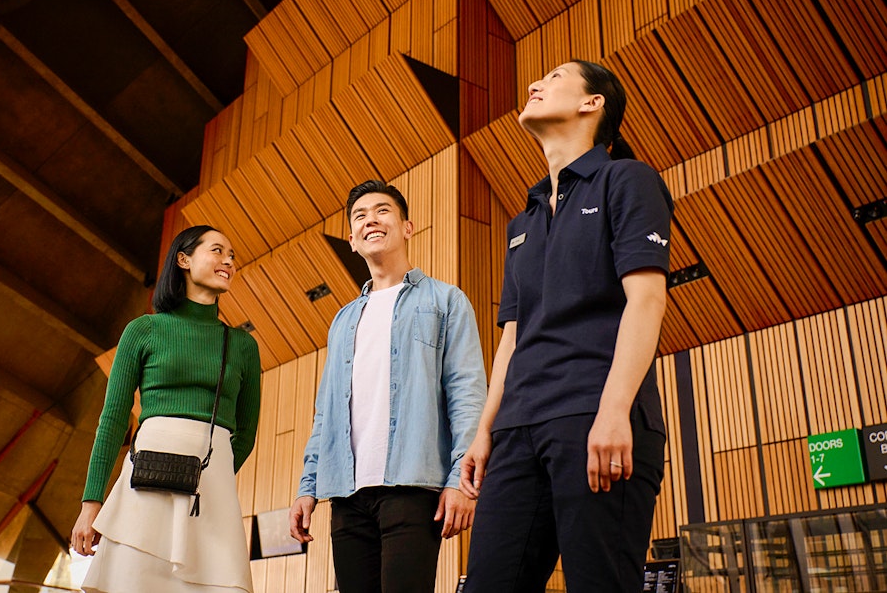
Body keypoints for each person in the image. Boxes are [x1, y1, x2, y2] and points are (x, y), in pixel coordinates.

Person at [460, 60, 674, 592]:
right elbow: (513, 336)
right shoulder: (523, 221)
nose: (534, 84)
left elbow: (646, 300)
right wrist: (484, 431)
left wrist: (614, 410)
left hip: (593, 415)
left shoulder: (628, 179)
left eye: (554, 78)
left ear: (592, 103)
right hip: (517, 430)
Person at [289, 180, 487, 593]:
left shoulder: (446, 301)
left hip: (413, 487)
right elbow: (325, 411)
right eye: (359, 216)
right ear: (351, 239)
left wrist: (460, 481)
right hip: (346, 494)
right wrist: (308, 487)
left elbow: (467, 394)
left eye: (382, 211)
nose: (370, 221)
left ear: (407, 227)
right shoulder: (342, 320)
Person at [71, 225, 261, 593]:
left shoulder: (242, 346)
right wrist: (91, 502)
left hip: (210, 496)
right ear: (184, 259)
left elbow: (246, 433)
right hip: (143, 487)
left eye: (233, 255)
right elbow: (112, 422)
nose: (229, 261)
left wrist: (213, 474)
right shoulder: (143, 330)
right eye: (218, 250)